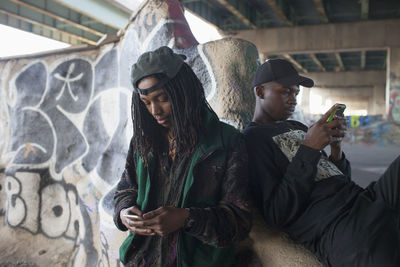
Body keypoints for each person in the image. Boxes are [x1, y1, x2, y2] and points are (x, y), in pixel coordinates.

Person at [243, 58, 400, 267]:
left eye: (296, 93)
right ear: (261, 92)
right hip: (338, 228)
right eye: (285, 91)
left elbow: (338, 179)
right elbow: (276, 214)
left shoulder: (297, 126)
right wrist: (309, 148)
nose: (293, 99)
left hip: (367, 200)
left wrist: (335, 148)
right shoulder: (252, 140)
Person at [113, 46, 251, 267]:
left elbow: (239, 223)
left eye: (162, 98)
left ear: (183, 92)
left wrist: (187, 218)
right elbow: (125, 189)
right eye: (146, 103)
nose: (155, 111)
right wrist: (123, 212)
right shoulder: (143, 142)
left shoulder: (227, 142)